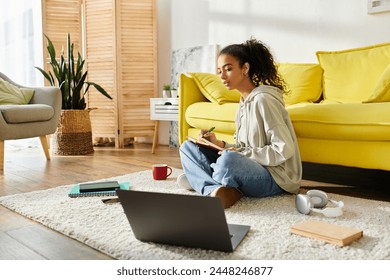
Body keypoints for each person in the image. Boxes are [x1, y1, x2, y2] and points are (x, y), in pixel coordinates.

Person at [178, 37, 302, 208]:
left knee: (228, 160)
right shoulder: (243, 104)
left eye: (228, 69)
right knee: (187, 148)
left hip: (274, 177)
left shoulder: (264, 100)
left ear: (245, 68)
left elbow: (283, 149)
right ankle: (216, 187)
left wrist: (236, 155)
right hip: (250, 167)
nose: (221, 76)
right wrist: (218, 143)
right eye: (219, 70)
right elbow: (243, 146)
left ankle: (203, 181)